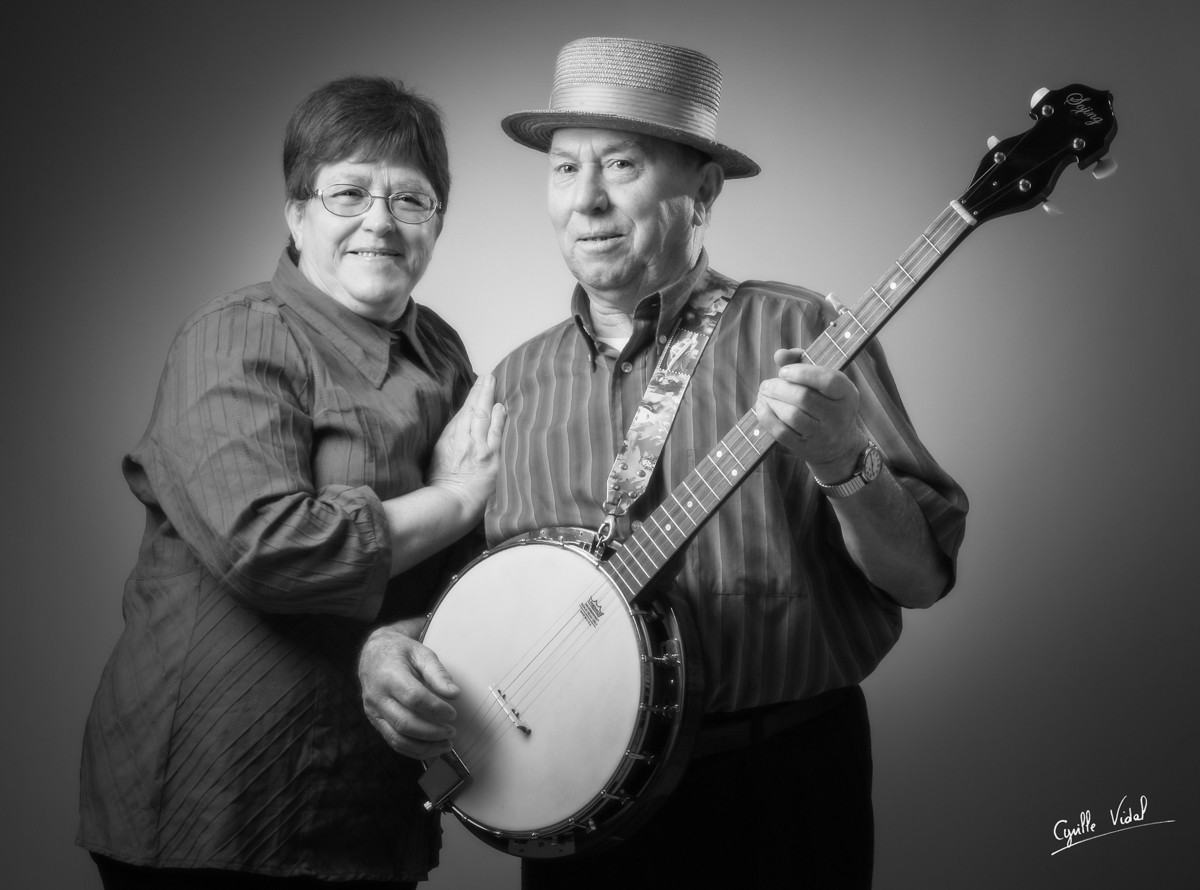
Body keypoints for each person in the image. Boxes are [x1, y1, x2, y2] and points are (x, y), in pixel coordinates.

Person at [359, 37, 968, 888]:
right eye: (566, 170)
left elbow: (921, 578)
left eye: (621, 164)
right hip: (580, 817)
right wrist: (391, 646)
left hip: (780, 790)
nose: (589, 200)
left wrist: (845, 462)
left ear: (704, 190)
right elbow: (475, 597)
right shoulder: (511, 382)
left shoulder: (803, 334)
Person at [78, 76, 505, 889]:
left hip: (364, 796)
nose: (379, 221)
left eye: (410, 201)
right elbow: (268, 547)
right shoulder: (237, 334)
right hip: (215, 797)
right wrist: (453, 499)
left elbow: (473, 556)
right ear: (296, 212)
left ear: (437, 225)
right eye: (348, 192)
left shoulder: (442, 354)